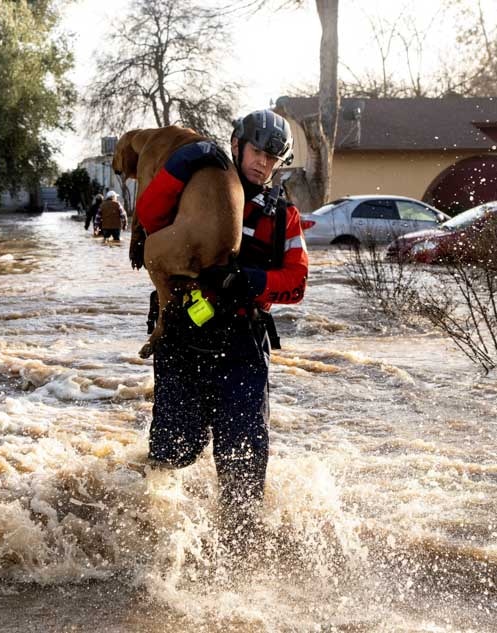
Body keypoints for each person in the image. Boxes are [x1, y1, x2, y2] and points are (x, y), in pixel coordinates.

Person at [133, 110, 308, 541]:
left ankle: (240, 548)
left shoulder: (283, 215)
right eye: (257, 152)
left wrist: (248, 281)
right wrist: (181, 164)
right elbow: (150, 215)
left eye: (273, 158)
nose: (263, 163)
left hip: (243, 345)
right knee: (173, 447)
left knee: (244, 458)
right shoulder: (192, 188)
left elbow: (297, 281)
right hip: (183, 334)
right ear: (236, 145)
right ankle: (157, 536)